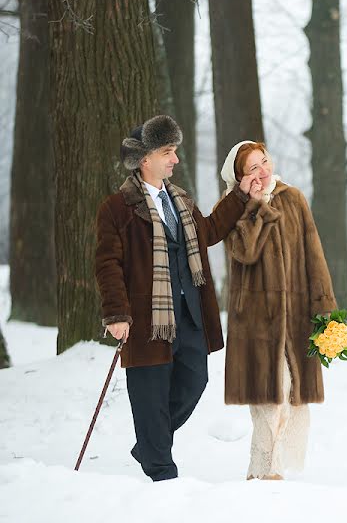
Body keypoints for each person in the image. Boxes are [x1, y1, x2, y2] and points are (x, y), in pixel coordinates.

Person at [95, 115, 261, 481]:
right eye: (168, 152)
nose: (175, 160)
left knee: (194, 380)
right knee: (150, 395)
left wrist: (241, 194)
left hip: (188, 313)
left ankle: (149, 444)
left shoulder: (180, 200)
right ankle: (161, 472)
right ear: (145, 160)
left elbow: (211, 230)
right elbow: (107, 264)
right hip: (145, 319)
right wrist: (116, 313)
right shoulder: (117, 208)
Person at [220, 141, 337, 480]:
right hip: (256, 321)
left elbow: (314, 255)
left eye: (265, 161)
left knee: (293, 396)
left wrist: (325, 308)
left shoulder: (293, 198)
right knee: (270, 398)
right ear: (240, 176)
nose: (262, 171)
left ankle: (272, 471)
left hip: (297, 315)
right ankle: (264, 472)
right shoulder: (233, 208)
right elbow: (244, 251)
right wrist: (255, 206)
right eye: (253, 167)